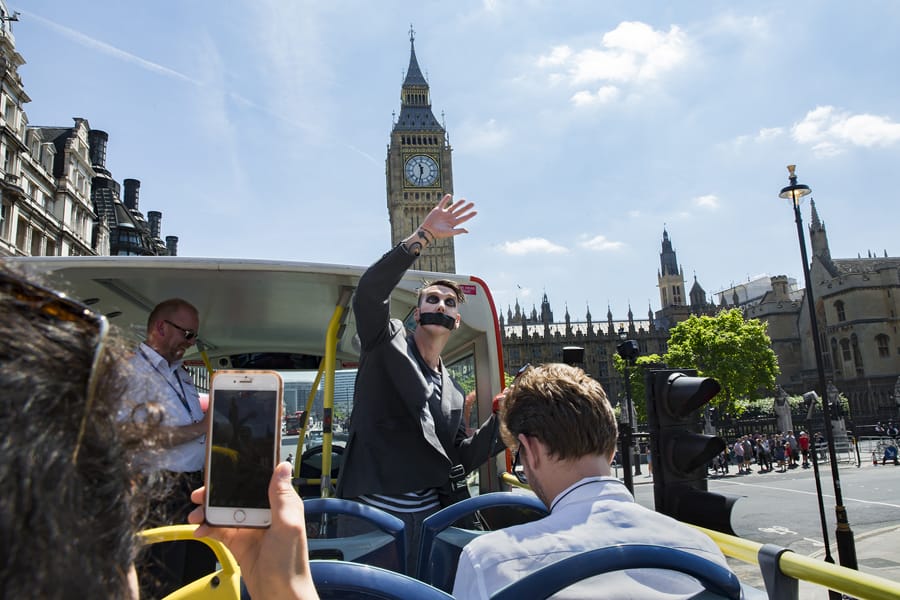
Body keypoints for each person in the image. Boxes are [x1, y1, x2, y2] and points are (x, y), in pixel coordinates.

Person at [452, 363, 734, 599]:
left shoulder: (490, 559)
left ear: (532, 450)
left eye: (520, 456)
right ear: (611, 449)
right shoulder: (703, 551)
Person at [336, 194, 502, 574]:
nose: (440, 305)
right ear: (417, 313)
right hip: (373, 518)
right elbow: (370, 293)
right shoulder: (386, 341)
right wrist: (423, 236)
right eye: (431, 299)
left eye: (448, 302)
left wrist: (506, 423)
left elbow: (457, 458)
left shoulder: (455, 393)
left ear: (457, 321)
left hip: (431, 520)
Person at [123, 298, 216, 597]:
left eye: (194, 337)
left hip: (191, 489)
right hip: (158, 492)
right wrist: (202, 428)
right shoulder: (131, 372)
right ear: (161, 327)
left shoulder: (180, 373)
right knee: (163, 582)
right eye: (187, 334)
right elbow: (131, 436)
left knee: (197, 579)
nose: (190, 343)